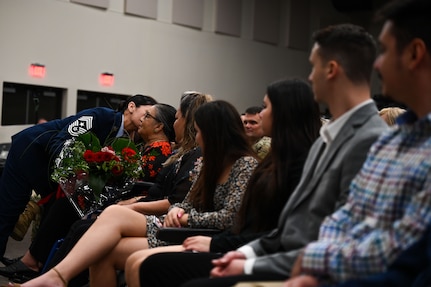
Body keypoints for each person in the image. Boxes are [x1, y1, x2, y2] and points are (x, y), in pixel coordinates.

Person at [130, 23, 388, 287]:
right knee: (147, 263)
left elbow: (330, 235)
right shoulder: (328, 138)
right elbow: (292, 228)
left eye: (314, 67)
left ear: (331, 70)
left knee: (158, 268)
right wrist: (246, 253)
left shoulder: (367, 139)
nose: (310, 78)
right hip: (275, 251)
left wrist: (245, 258)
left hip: (309, 267)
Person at [18, 100, 258, 287]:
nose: (196, 137)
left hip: (196, 232)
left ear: (216, 133)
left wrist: (184, 217)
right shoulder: (208, 163)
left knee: (102, 239)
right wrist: (178, 210)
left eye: (199, 131)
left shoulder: (244, 164)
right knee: (111, 216)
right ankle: (57, 276)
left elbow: (230, 218)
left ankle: (56, 276)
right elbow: (185, 201)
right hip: (175, 224)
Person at [281, 0, 431, 286]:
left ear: (414, 53)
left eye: (385, 50)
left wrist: (316, 263)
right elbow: (347, 216)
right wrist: (319, 263)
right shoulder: (393, 138)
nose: (375, 63)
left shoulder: (382, 138)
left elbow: (399, 248)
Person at [124, 77, 322, 287]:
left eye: (266, 107)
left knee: (144, 263)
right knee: (133, 253)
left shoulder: (277, 164)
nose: (260, 113)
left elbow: (251, 226)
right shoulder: (274, 160)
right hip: (236, 243)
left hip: (243, 246)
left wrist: (210, 239)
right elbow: (192, 203)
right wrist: (180, 211)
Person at [0, 94, 157, 264]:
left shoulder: (131, 139)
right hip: (30, 151)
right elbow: (62, 139)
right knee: (7, 211)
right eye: (147, 113)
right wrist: (79, 168)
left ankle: (31, 263)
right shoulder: (100, 116)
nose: (146, 118)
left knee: (56, 214)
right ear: (131, 106)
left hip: (53, 172)